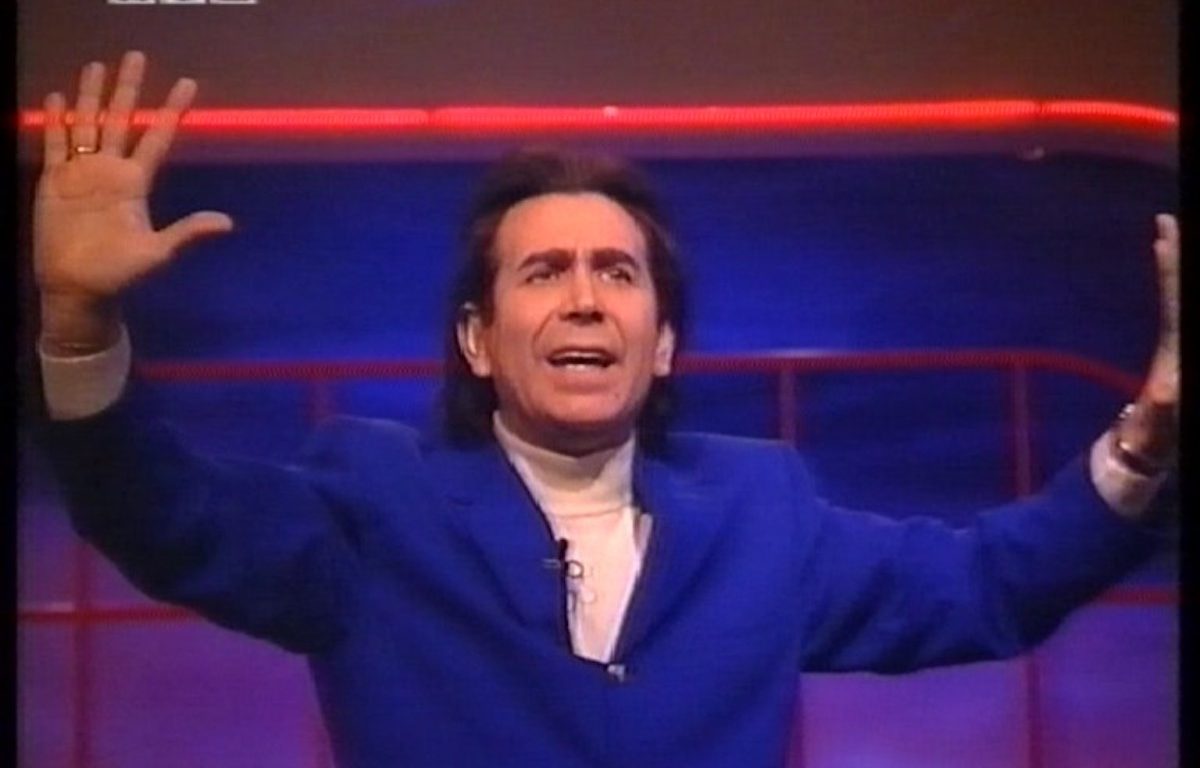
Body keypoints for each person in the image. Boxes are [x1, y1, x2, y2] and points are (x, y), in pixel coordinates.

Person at [32, 52, 1178, 768]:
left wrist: (1148, 436)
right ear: (477, 340)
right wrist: (80, 323)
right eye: (544, 273)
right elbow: (157, 512)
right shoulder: (372, 502)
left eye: (618, 274)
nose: (585, 298)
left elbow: (986, 587)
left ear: (662, 340)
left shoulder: (761, 508)